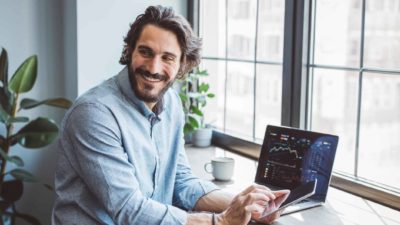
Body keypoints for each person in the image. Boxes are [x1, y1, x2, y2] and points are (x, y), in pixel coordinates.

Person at [52, 5, 288, 225]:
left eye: (167, 57)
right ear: (130, 50)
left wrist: (248, 205)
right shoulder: (94, 114)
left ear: (182, 64)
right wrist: (222, 221)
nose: (153, 68)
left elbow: (181, 182)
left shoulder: (172, 103)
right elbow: (128, 209)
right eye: (145, 52)